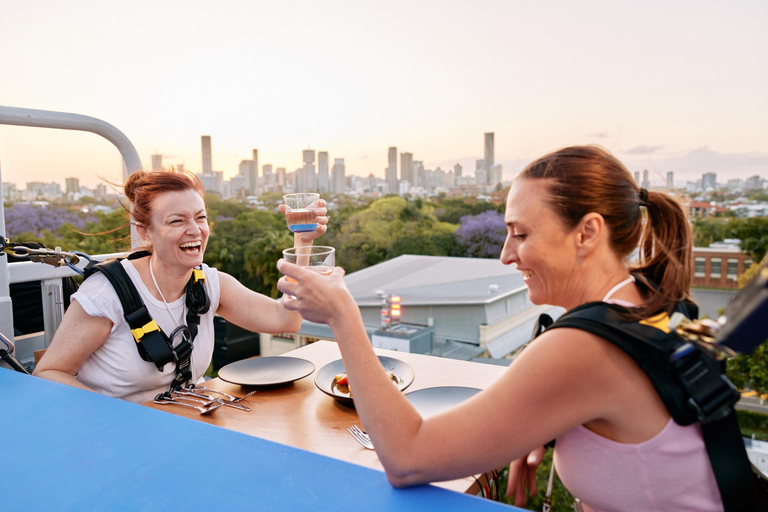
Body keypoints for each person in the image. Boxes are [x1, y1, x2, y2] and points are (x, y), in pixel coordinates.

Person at [276, 146, 725, 511]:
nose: (506, 255)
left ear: (587, 233)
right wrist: (541, 430)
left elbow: (407, 459)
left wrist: (343, 317)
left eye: (522, 234)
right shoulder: (646, 299)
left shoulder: (585, 347)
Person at [34, 169, 328, 404]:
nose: (195, 230)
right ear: (145, 233)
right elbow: (49, 372)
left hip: (188, 419)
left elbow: (286, 319)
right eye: (177, 221)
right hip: (118, 434)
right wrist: (118, 417)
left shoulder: (210, 283)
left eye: (201, 218)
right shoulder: (107, 293)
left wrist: (303, 243)